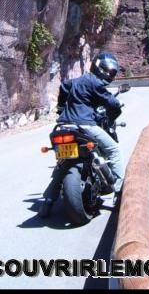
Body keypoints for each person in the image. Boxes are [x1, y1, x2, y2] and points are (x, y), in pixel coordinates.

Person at [39, 51, 124, 217]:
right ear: (99, 69)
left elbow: (63, 88)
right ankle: (119, 192)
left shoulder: (75, 81)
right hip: (85, 125)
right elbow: (113, 104)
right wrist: (112, 114)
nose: (108, 75)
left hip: (63, 124)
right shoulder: (94, 83)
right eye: (107, 71)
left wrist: (62, 109)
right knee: (114, 150)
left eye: (111, 72)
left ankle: (48, 202)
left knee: (63, 163)